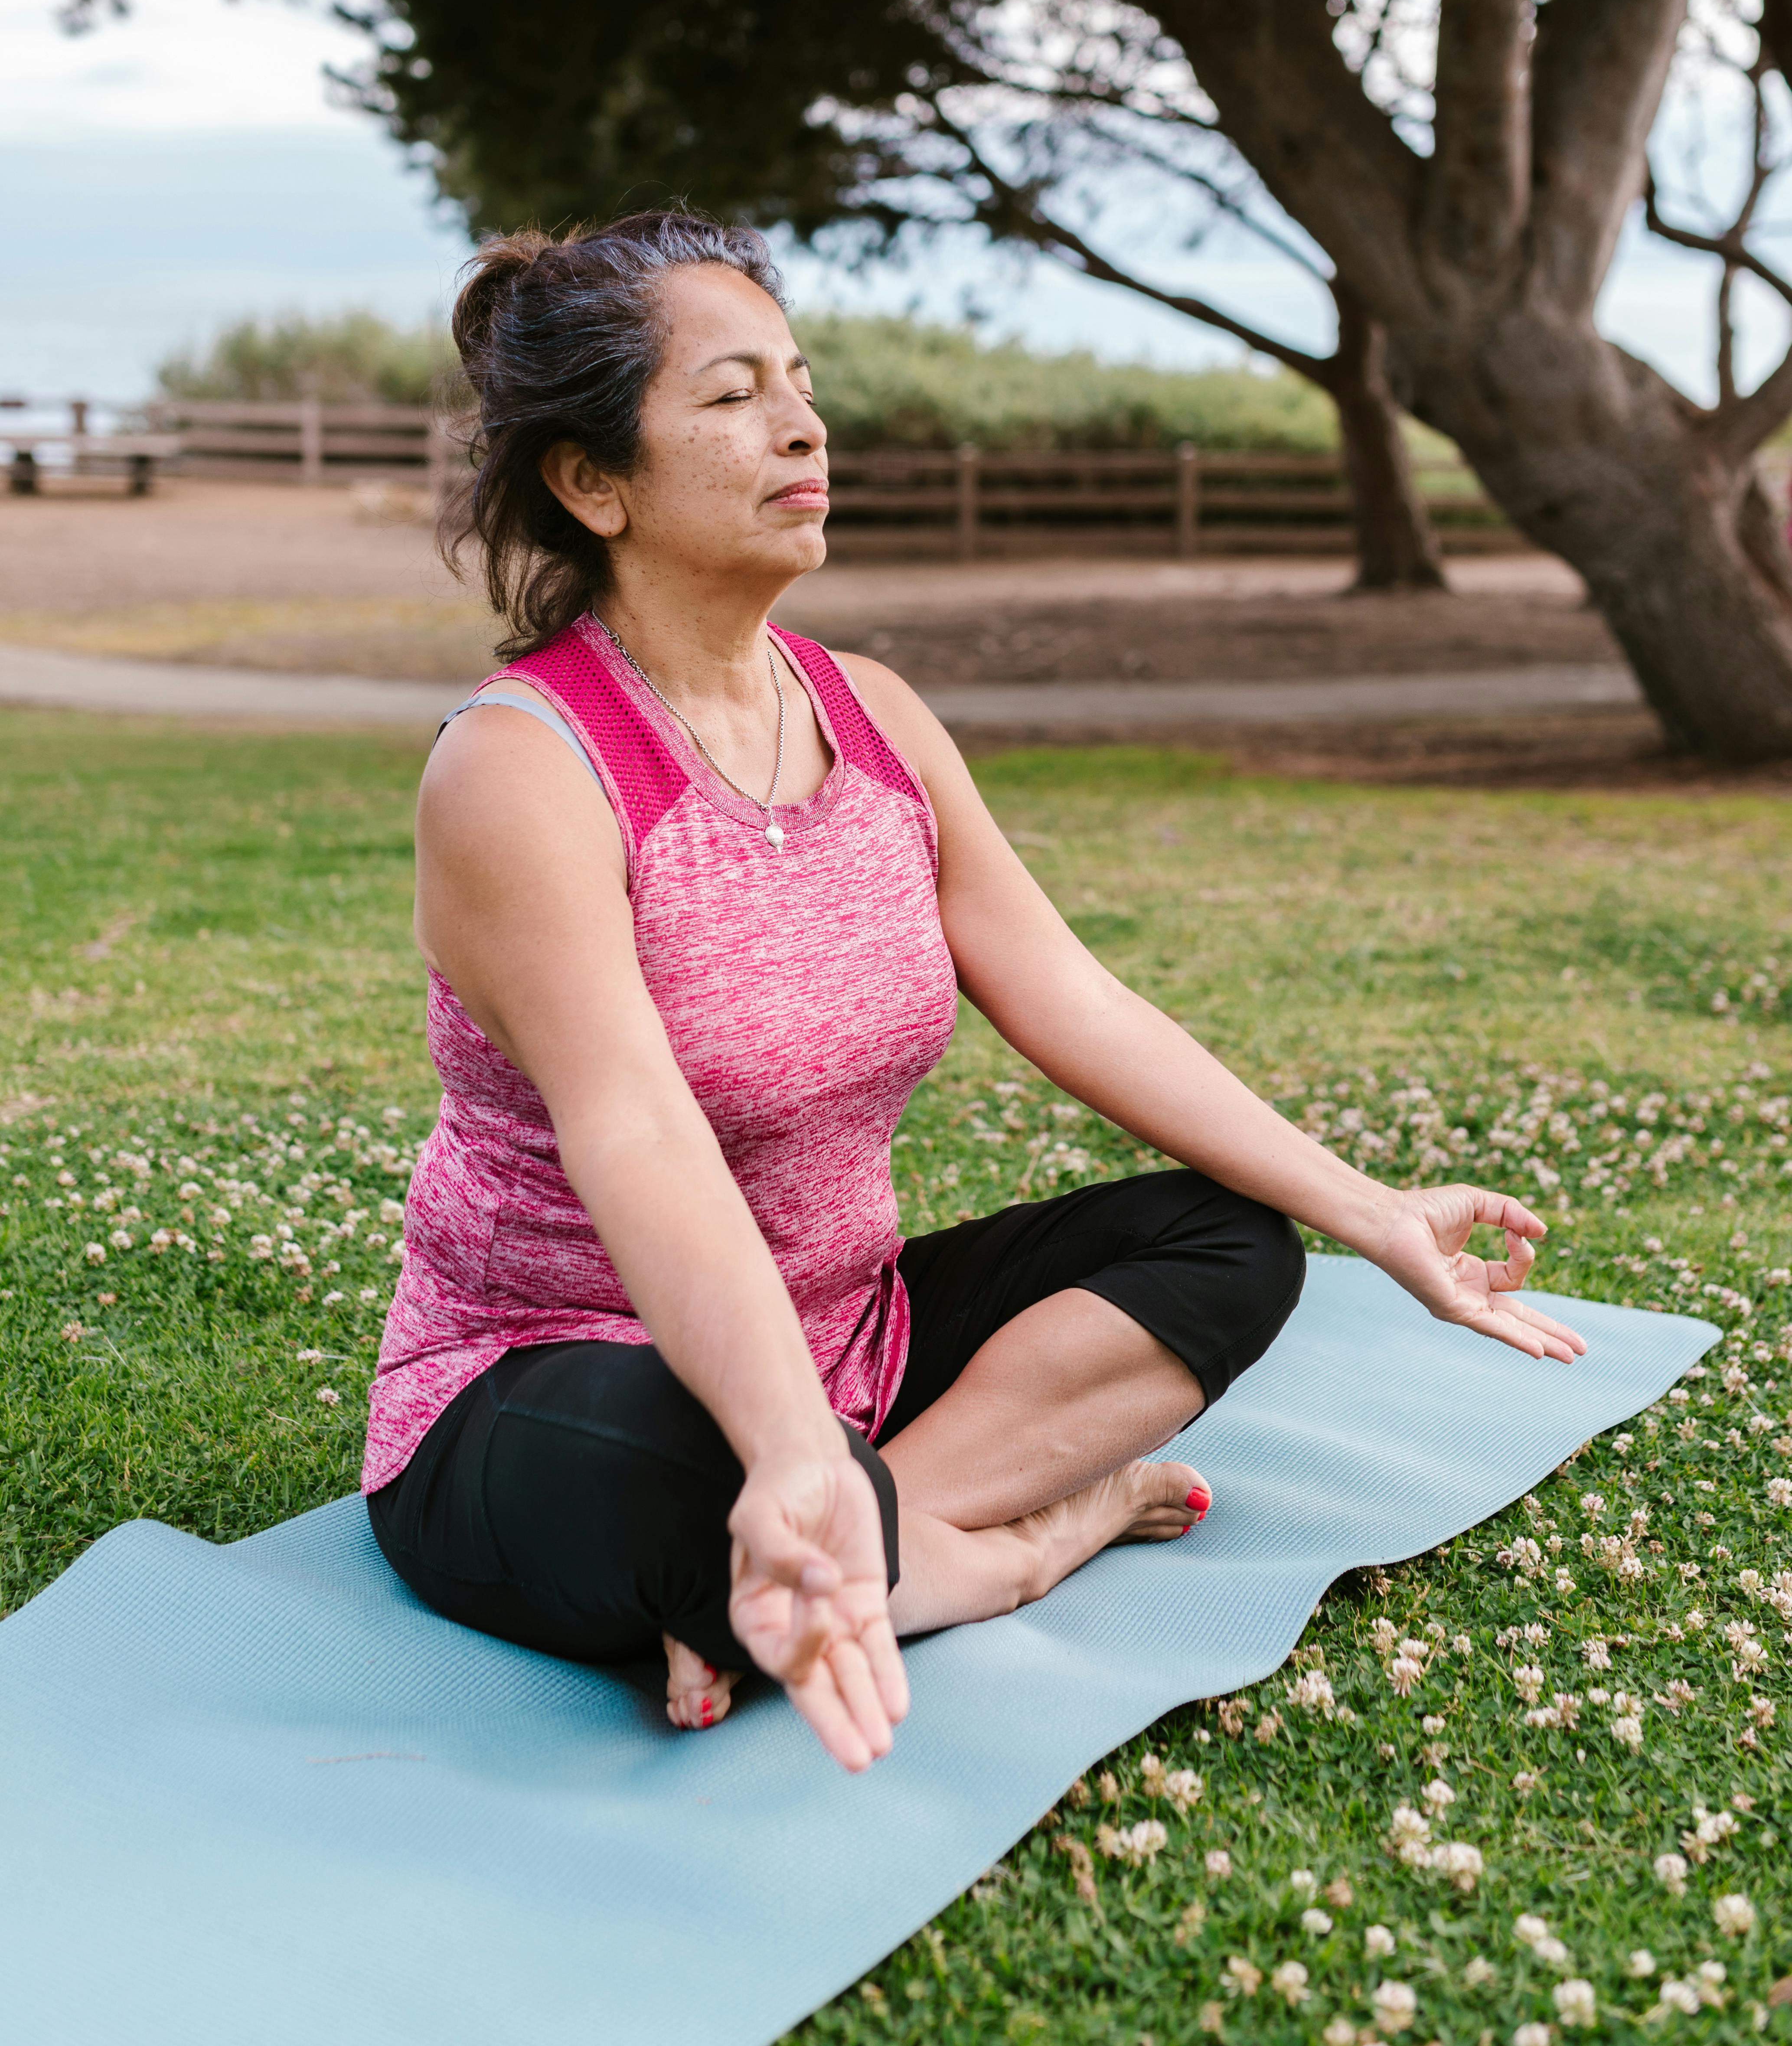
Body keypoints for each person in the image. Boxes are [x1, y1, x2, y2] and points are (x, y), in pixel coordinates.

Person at [363, 209, 1586, 1774]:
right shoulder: (524, 768)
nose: (802, 425)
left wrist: (1376, 1207)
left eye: (799, 382)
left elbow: (1071, 995)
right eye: (731, 396)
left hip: (848, 1349)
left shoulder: (872, 715)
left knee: (1222, 1244)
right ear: (593, 482)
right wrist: (781, 1447)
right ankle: (1010, 1547)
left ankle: (831, 1552)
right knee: (685, 1478)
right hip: (551, 1374)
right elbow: (638, 1133)